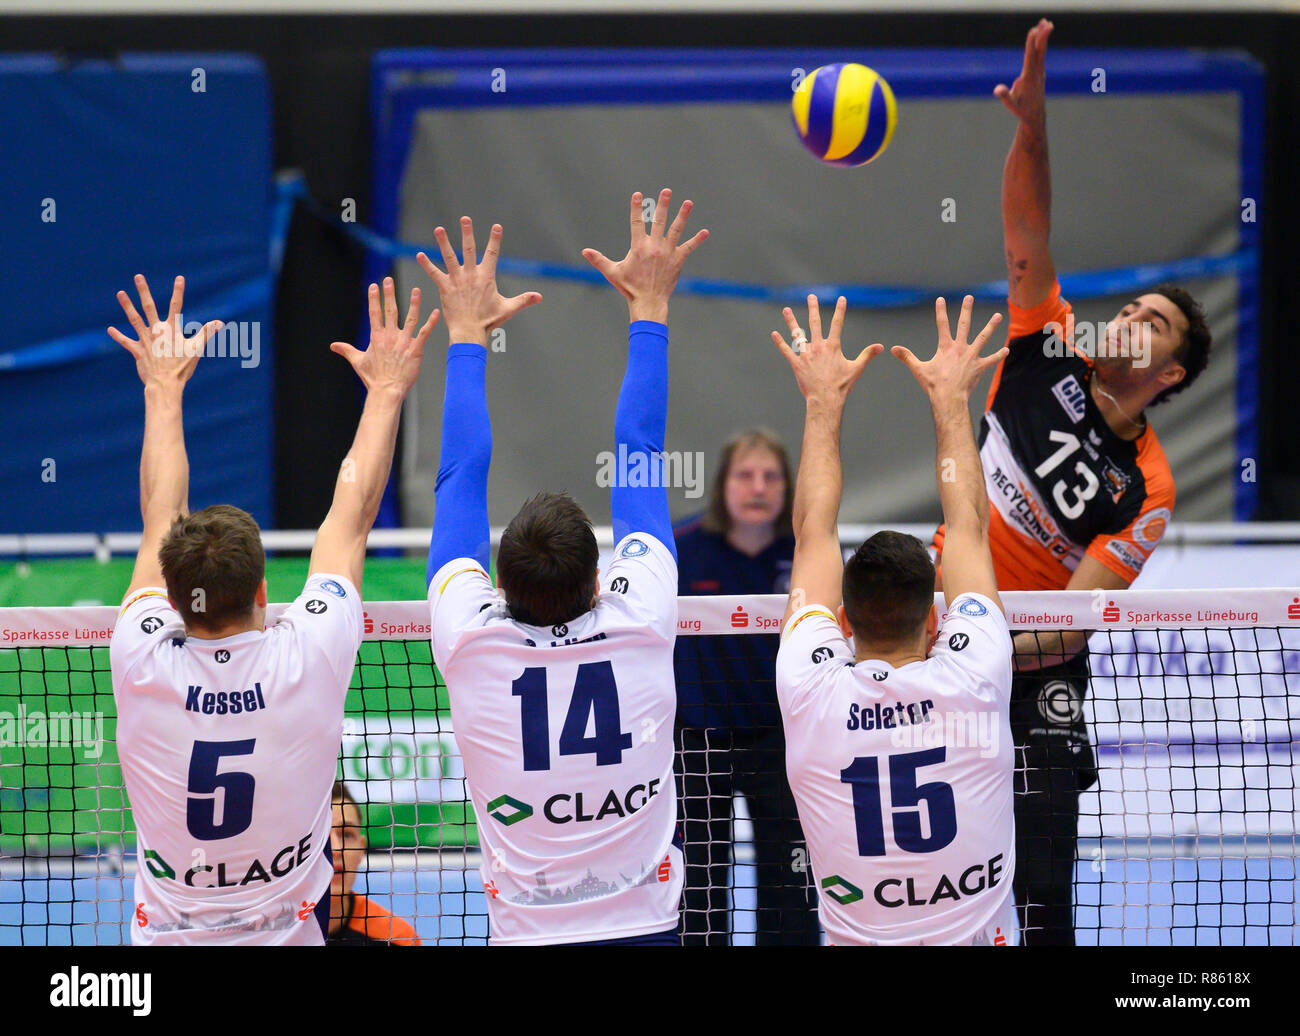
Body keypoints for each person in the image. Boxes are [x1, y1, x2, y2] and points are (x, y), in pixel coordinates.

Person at [930, 19, 1212, 944]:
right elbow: (1027, 228)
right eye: (1131, 305)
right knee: (936, 875)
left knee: (1045, 893)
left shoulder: (1148, 490)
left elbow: (1073, 620)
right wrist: (1033, 126)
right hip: (941, 631)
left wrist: (985, 649)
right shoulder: (1043, 345)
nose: (1130, 317)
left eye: (1154, 323)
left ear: (1170, 373)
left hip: (1033, 668)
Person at [108, 273, 435, 944]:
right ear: (264, 592)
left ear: (174, 599)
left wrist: (162, 388)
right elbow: (351, 517)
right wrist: (386, 392)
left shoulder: (139, 654)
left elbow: (160, 515)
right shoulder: (308, 654)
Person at [423, 192, 707, 945]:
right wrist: (649, 309)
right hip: (647, 929)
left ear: (500, 587)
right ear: (597, 582)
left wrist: (465, 337)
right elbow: (640, 449)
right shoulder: (641, 618)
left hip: (529, 932)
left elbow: (457, 477)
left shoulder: (470, 642)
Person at [774, 292, 1018, 945]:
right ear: (934, 623)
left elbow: (813, 532)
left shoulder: (809, 686)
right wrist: (951, 400)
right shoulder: (977, 672)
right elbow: (968, 526)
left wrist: (822, 402)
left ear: (843, 622)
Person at [672, 430, 819, 944]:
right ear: (722, 485)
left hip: (781, 742)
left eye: (771, 476)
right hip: (698, 742)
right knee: (698, 885)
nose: (758, 488)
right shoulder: (681, 550)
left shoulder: (806, 554)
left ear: (788, 487)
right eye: (745, 475)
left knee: (791, 879)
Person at [327, 782, 422, 945]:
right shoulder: (277, 928)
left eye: (347, 834)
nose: (336, 849)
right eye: (322, 835)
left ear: (361, 848)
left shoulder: (397, 938)